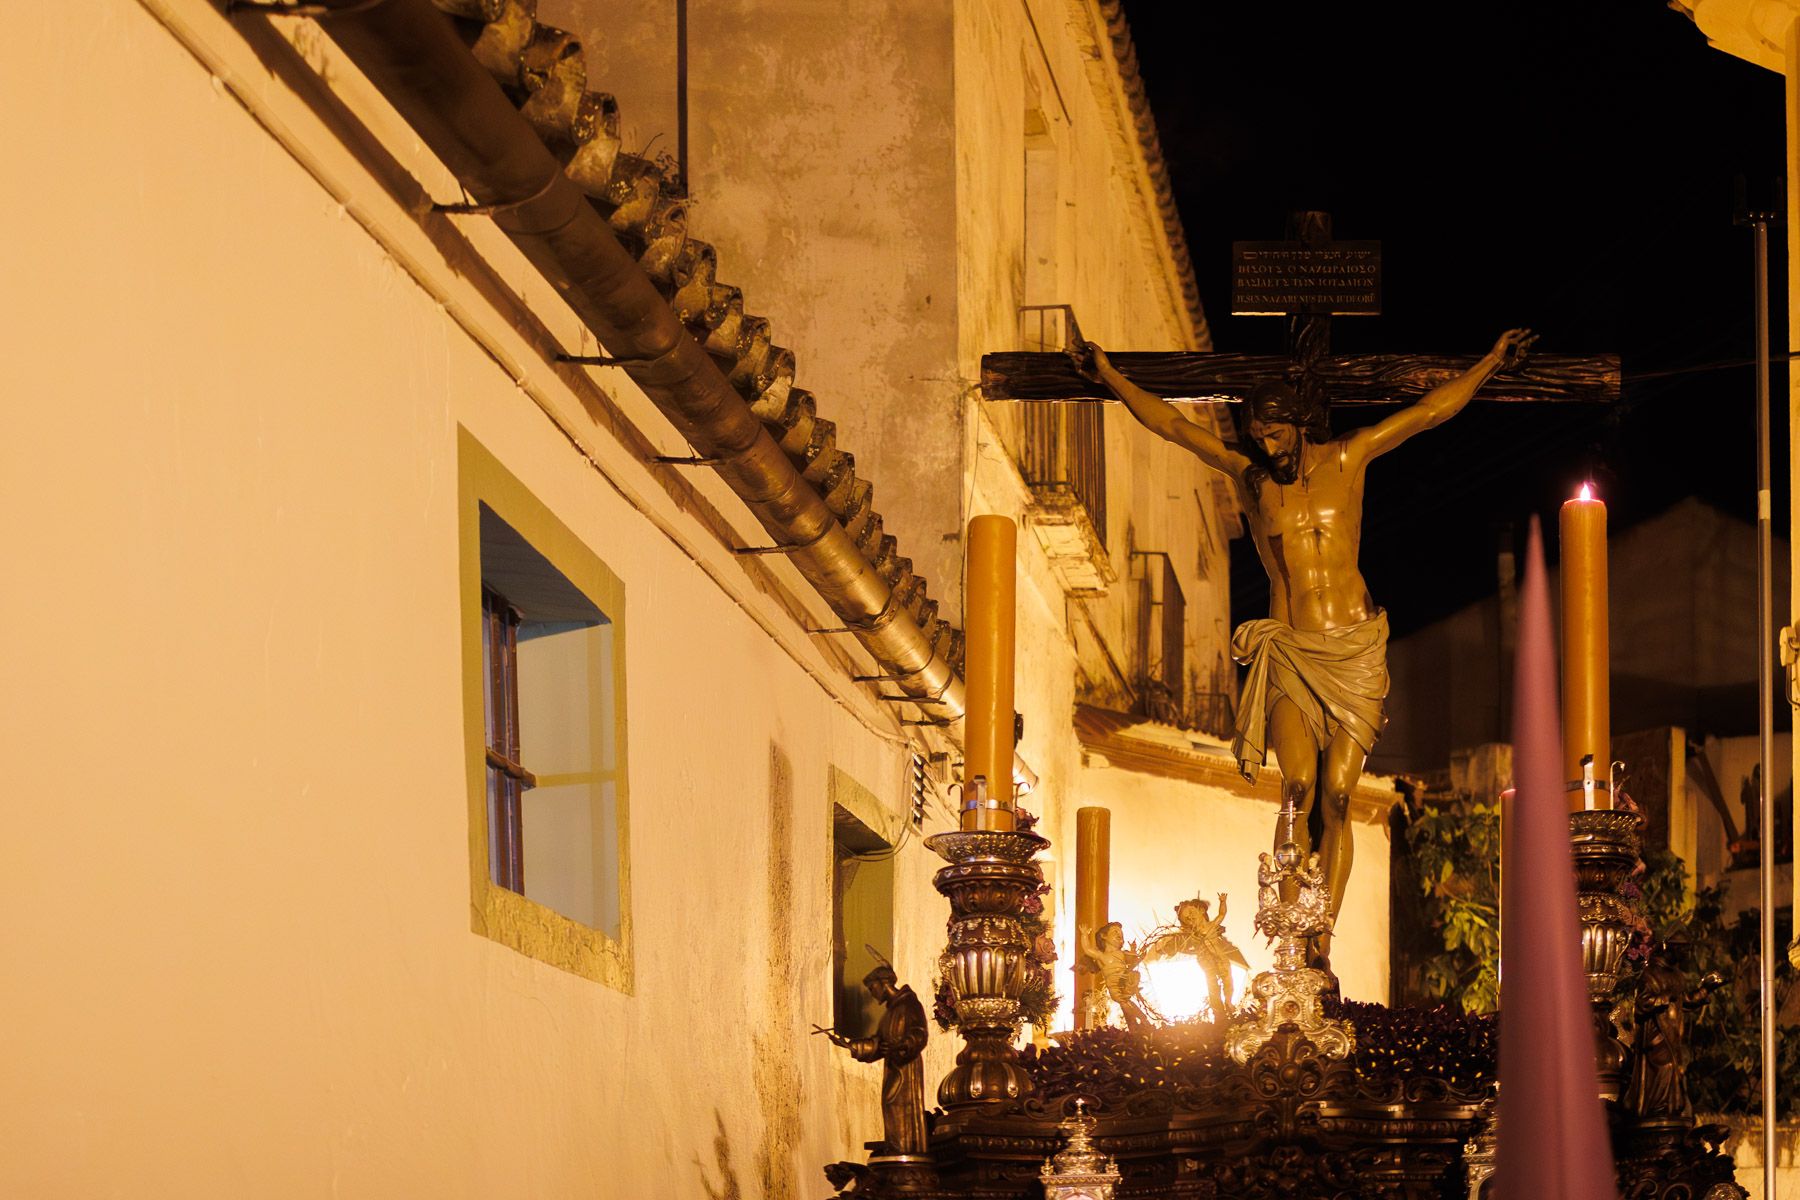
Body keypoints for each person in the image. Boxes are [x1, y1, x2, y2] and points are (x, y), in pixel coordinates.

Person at [1073, 329, 1535, 965]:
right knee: (1296, 788)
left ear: (1298, 423)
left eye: (1276, 433)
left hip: (1354, 651)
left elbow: (1428, 412)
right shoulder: (1252, 479)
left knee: (1341, 799)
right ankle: (1289, 929)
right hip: (1291, 649)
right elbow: (1176, 428)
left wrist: (1488, 362)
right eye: (1259, 436)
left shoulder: (1349, 458)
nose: (1268, 446)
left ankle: (1320, 940)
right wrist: (1110, 377)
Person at [824, 965, 929, 1156]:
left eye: (872, 988)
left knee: (899, 1105)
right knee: (890, 1105)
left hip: (906, 1070)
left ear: (884, 984)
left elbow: (919, 1033)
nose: (872, 994)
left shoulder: (909, 1004)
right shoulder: (890, 1013)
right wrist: (849, 1045)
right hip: (894, 1069)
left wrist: (902, 1045)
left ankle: (905, 1150)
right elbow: (878, 1043)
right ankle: (897, 1148)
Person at [1148, 894, 1250, 1021]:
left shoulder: (1212, 925)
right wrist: (1166, 949)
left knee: (1227, 979)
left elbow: (1222, 914)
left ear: (1201, 910)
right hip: (1205, 960)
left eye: (1191, 912)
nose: (1190, 916)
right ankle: (1218, 1012)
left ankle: (1229, 1002)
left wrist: (1223, 901)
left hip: (1220, 957)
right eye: (1186, 918)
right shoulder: (1191, 935)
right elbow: (1181, 945)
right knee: (1212, 984)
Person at [1076, 921, 1157, 1032]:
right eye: (1115, 932)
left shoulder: (1122, 954)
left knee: (1127, 1002)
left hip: (1125, 981)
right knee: (1124, 1003)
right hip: (1114, 986)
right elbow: (1087, 949)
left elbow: (1134, 960)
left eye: (1121, 933)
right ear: (1103, 936)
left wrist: (1134, 950)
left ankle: (1136, 1024)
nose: (1120, 935)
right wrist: (1084, 935)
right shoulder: (1102, 955)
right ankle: (1140, 1021)